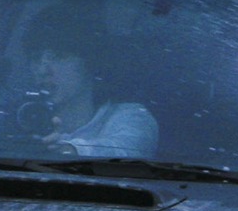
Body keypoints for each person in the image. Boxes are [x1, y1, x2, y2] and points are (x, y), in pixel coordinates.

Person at [25, 38, 159, 159]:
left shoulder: (131, 116)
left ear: (90, 61)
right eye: (36, 58)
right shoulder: (23, 118)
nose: (42, 71)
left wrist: (64, 151)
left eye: (59, 56)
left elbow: (126, 151)